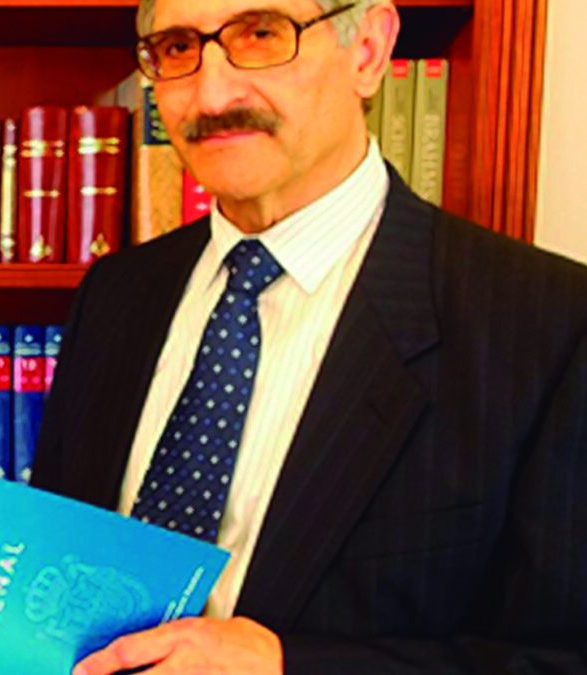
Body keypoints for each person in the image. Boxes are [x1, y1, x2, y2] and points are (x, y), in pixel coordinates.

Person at [31, 0, 587, 672]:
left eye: (262, 34)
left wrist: (286, 665)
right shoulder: (115, 293)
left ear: (369, 50)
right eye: (178, 48)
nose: (213, 95)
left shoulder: (550, 326)